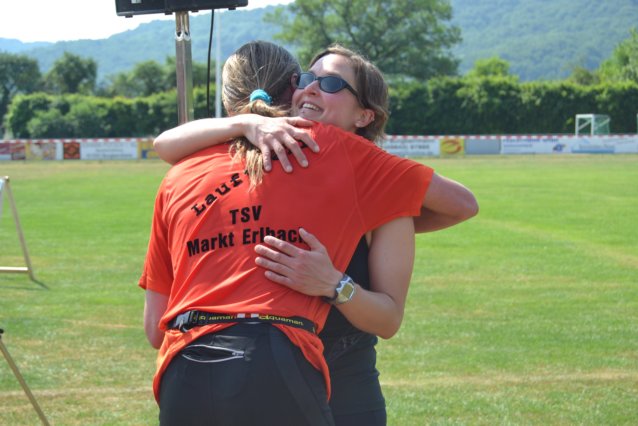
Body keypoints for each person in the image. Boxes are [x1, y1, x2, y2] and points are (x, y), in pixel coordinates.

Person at [152, 43, 478, 425]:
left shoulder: (366, 171)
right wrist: (245, 125)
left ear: (364, 115)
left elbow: (460, 206)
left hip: (337, 376)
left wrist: (337, 279)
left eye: (331, 83)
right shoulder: (271, 151)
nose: (310, 88)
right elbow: (166, 145)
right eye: (306, 79)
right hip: (279, 364)